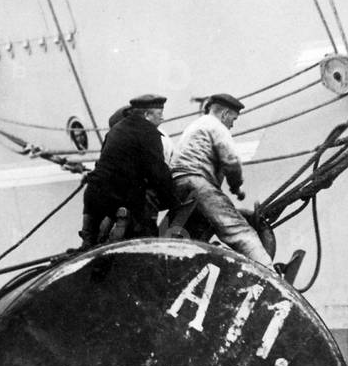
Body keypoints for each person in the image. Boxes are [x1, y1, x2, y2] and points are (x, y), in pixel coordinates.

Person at [170, 93, 272, 267]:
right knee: (239, 231)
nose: (232, 124)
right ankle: (268, 273)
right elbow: (230, 161)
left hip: (177, 184)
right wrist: (236, 187)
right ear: (224, 114)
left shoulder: (194, 126)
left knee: (187, 234)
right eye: (233, 119)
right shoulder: (217, 127)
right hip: (198, 183)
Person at [79, 94, 174, 247]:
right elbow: (158, 172)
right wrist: (172, 199)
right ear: (147, 115)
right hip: (121, 197)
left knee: (91, 243)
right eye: (159, 114)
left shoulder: (114, 130)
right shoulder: (149, 133)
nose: (162, 118)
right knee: (142, 236)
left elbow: (102, 164)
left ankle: (89, 245)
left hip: (93, 195)